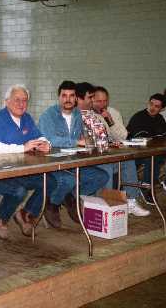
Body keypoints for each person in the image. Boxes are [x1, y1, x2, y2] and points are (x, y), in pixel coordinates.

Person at [0, 84, 57, 238]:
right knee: (19, 191)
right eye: (16, 100)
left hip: (23, 171)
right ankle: (0, 216)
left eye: (24, 100)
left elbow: (39, 136)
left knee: (50, 182)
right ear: (7, 101)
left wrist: (45, 144)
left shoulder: (27, 118)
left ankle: (26, 213)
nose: (21, 104)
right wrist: (21, 148)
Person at [38, 80, 108, 228]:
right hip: (52, 164)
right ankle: (52, 203)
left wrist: (93, 138)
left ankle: (70, 197)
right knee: (69, 181)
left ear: (76, 98)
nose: (68, 99)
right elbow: (50, 139)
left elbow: (88, 136)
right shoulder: (48, 115)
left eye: (71, 96)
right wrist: (77, 142)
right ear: (59, 97)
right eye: (64, 95)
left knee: (101, 176)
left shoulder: (79, 114)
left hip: (73, 162)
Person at [77, 83, 150, 216]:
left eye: (105, 101)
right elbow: (89, 140)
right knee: (108, 166)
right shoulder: (86, 114)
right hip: (94, 158)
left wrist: (109, 120)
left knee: (128, 161)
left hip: (107, 153)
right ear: (91, 100)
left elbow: (123, 135)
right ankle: (107, 205)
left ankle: (131, 201)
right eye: (98, 101)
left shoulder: (112, 112)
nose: (102, 104)